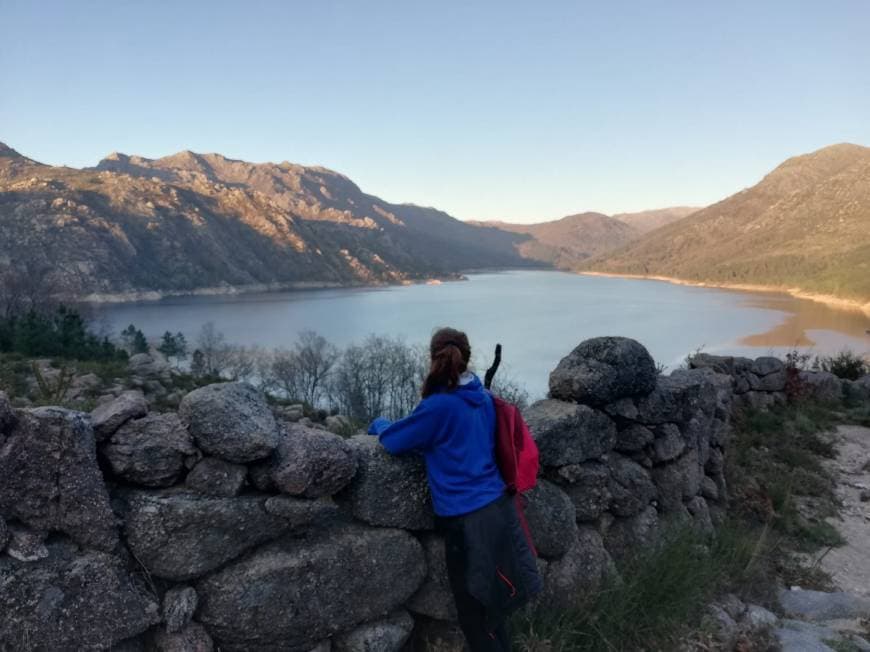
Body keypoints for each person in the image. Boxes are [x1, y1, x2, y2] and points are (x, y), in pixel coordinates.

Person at [368, 327, 541, 651]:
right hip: (499, 509)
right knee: (494, 608)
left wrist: (379, 424)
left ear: (434, 357)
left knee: (476, 617)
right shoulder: (481, 395)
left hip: (467, 523)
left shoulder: (440, 406)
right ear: (466, 357)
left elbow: (394, 441)